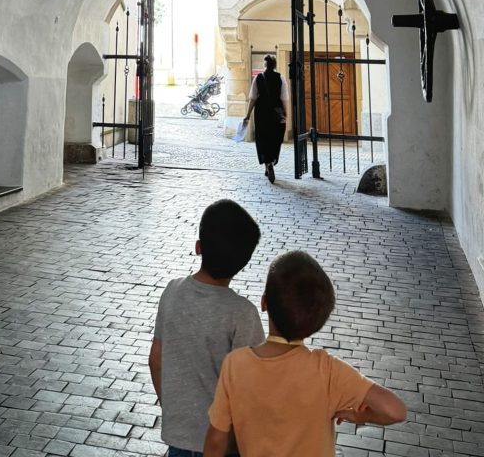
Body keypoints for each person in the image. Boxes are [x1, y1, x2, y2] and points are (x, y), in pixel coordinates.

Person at [204, 251, 406, 457]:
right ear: (318, 322)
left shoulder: (236, 364)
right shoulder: (327, 370)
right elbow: (394, 411)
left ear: (264, 303)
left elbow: (215, 440)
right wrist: (359, 416)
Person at [149, 200, 264, 457]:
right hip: (224, 443)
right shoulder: (242, 313)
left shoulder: (172, 292)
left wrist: (173, 407)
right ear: (243, 263)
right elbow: (250, 386)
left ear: (198, 247)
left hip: (178, 437)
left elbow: (155, 360)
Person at [243, 54, 289, 183]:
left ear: (265, 65)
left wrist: (247, 115)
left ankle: (267, 164)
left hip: (261, 113)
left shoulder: (258, 78)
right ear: (274, 65)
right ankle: (271, 162)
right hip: (276, 112)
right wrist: (286, 113)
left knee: (263, 138)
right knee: (275, 138)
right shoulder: (281, 78)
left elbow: (252, 98)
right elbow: (284, 98)